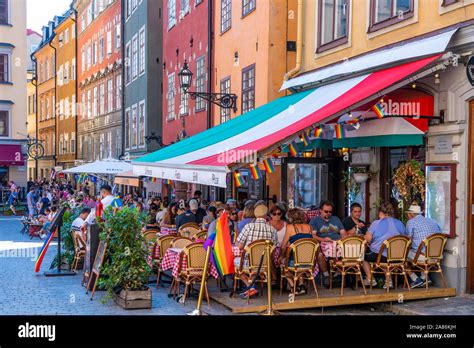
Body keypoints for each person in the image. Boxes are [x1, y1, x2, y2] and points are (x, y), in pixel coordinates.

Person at [235, 204, 278, 298]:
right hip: (264, 263)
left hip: (248, 262)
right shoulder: (272, 230)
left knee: (234, 264)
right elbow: (274, 248)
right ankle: (251, 288)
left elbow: (240, 246)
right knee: (254, 267)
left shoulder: (248, 227)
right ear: (266, 216)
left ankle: (250, 287)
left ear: (255, 215)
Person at [362, 202, 405, 289]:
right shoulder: (400, 223)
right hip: (399, 256)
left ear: (380, 212)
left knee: (362, 255)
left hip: (381, 256)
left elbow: (368, 240)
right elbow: (405, 238)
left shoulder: (376, 223)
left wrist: (366, 234)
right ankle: (388, 281)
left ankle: (371, 279)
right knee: (384, 255)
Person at [405, 205, 442, 288]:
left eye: (408, 214)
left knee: (402, 256)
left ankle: (414, 279)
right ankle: (425, 277)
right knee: (419, 250)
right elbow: (440, 235)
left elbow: (408, 240)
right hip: (436, 256)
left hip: (422, 257)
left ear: (411, 214)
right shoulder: (433, 221)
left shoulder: (411, 222)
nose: (407, 216)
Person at [279, 208, 315, 295]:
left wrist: (281, 256)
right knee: (300, 259)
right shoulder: (309, 227)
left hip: (294, 262)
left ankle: (292, 286)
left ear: (291, 218)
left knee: (281, 264)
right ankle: (301, 285)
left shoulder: (290, 227)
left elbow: (283, 245)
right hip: (309, 262)